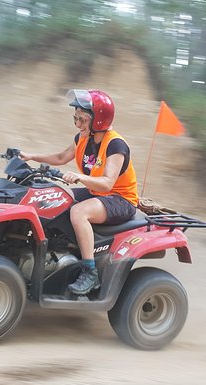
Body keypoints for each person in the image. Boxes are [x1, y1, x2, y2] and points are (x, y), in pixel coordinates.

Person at [19, 89, 139, 296]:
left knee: (78, 212)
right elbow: (60, 157)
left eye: (82, 120)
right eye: (75, 118)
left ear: (98, 121)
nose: (78, 124)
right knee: (54, 197)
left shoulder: (116, 145)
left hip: (120, 199)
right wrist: (31, 156)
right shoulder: (82, 138)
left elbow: (107, 183)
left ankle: (90, 272)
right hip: (97, 193)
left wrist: (80, 177)